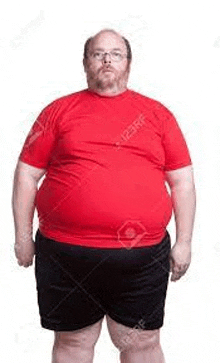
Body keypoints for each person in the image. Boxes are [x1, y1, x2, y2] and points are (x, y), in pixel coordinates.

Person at [12, 28, 196, 363]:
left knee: (141, 344)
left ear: (129, 63)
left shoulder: (157, 115)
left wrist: (184, 242)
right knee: (72, 344)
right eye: (98, 54)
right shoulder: (57, 111)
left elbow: (182, 181)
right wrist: (22, 237)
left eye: (115, 53)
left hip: (142, 258)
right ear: (85, 63)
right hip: (66, 255)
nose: (107, 60)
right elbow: (26, 174)